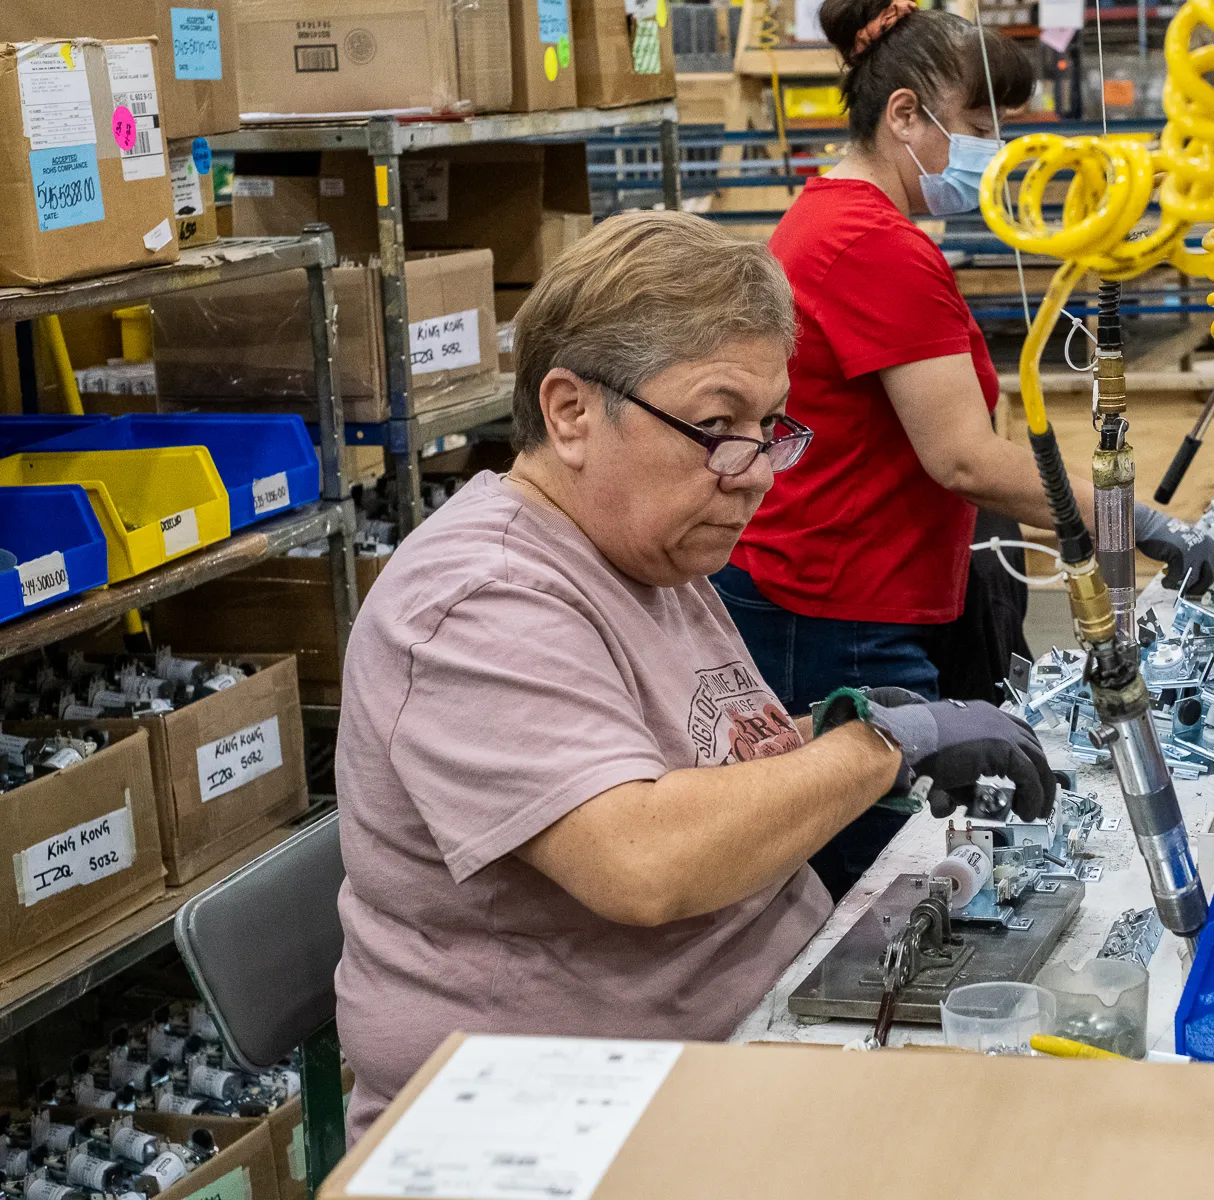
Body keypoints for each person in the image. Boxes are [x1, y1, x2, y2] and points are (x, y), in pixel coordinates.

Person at [332, 211, 1054, 1140]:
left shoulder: (645, 554)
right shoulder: (480, 599)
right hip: (560, 1127)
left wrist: (836, 735)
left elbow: (692, 764)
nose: (756, 473)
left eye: (769, 427)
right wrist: (882, 751)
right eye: (716, 425)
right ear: (571, 412)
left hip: (737, 1047)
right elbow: (642, 858)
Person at [715, 0, 1214, 900]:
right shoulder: (870, 244)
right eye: (978, 125)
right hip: (840, 613)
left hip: (834, 588)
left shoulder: (837, 219)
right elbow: (963, 456)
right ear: (905, 114)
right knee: (876, 892)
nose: (994, 152)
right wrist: (1141, 522)